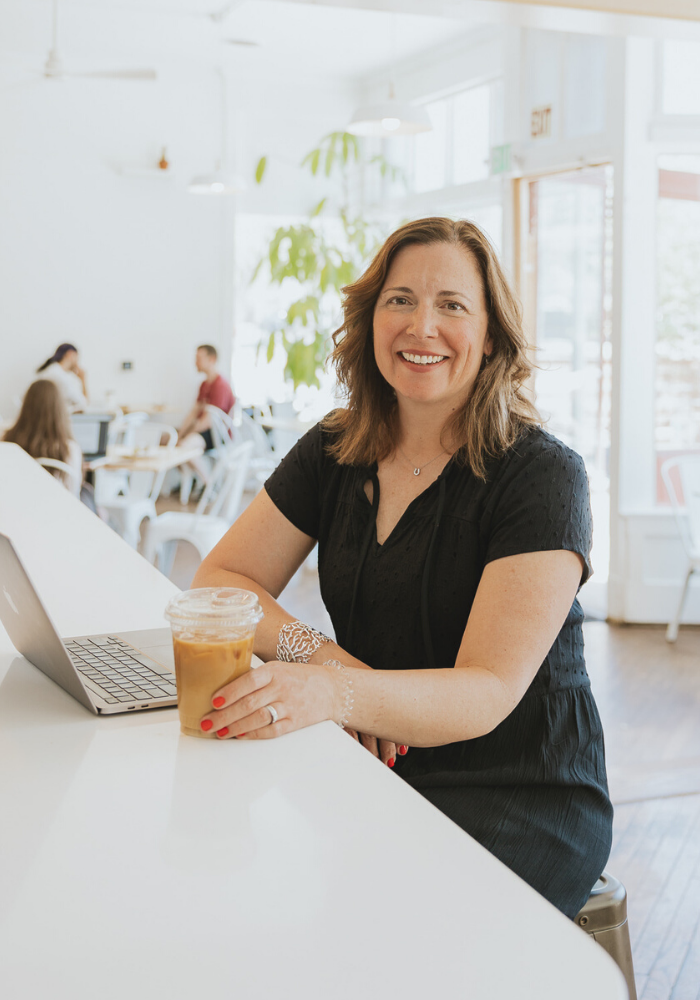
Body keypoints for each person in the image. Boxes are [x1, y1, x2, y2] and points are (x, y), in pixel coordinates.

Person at [191, 217, 613, 919]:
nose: (423, 327)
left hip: (518, 788)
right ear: (371, 319)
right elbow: (222, 579)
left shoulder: (542, 475)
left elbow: (486, 691)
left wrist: (337, 694)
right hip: (374, 759)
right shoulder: (333, 449)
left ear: (491, 335)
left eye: (452, 305)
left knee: (386, 932)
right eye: (401, 300)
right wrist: (325, 663)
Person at [3, 379, 83, 497]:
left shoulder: (9, 441)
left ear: (26, 406)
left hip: (17, 503)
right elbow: (73, 492)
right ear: (59, 409)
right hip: (56, 506)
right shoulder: (69, 449)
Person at [178, 344, 236, 489]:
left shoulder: (220, 385)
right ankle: (194, 480)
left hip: (217, 434)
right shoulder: (204, 385)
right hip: (203, 431)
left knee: (185, 446)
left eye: (199, 358)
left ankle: (209, 485)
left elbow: (209, 422)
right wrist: (180, 433)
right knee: (170, 441)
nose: (195, 363)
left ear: (211, 359)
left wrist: (187, 434)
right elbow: (194, 412)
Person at [36, 343, 88, 413]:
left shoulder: (54, 371)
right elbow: (83, 403)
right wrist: (83, 379)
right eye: (77, 357)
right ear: (70, 354)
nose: (77, 361)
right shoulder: (58, 374)